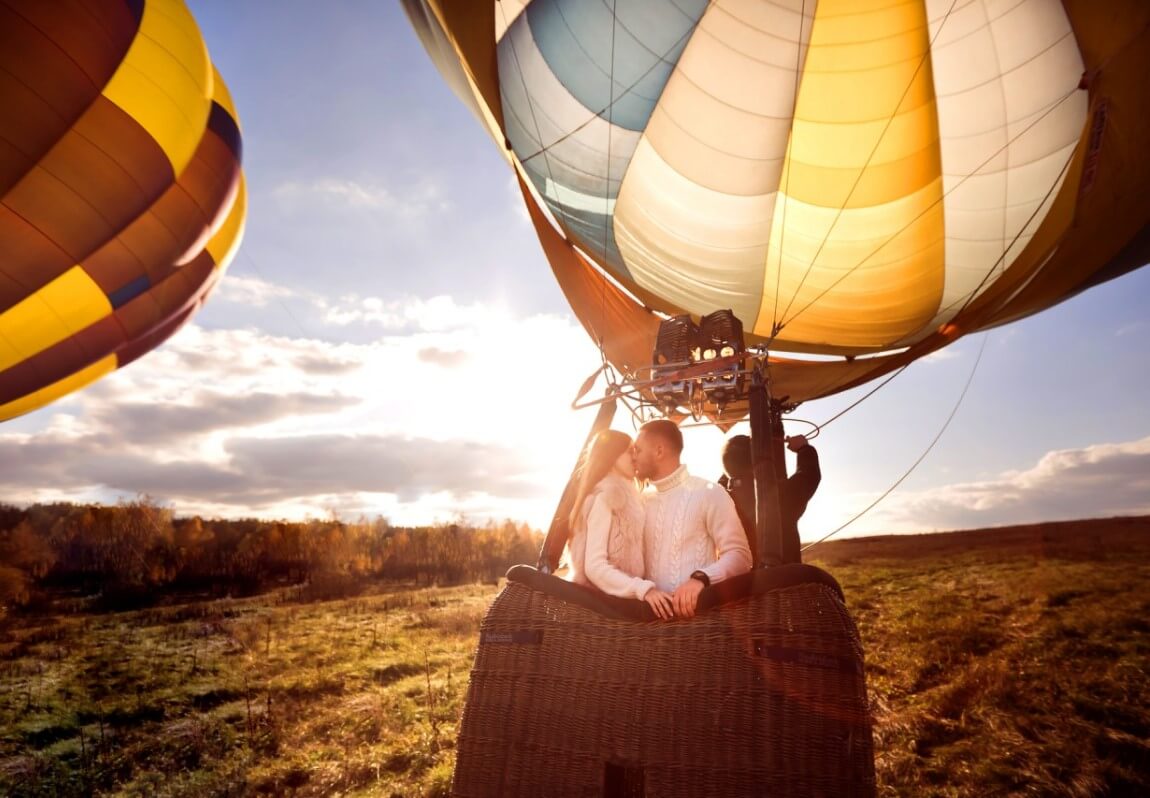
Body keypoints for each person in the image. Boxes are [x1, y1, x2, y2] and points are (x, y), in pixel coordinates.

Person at [632, 419, 752, 619]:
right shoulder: (638, 501)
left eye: (638, 449)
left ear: (659, 451)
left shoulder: (709, 492)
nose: (633, 456)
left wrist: (701, 579)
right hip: (648, 626)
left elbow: (740, 555)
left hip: (700, 623)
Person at [566, 430, 670, 617]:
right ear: (612, 456)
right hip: (601, 611)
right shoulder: (606, 498)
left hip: (621, 605)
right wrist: (643, 589)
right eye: (630, 451)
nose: (635, 457)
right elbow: (594, 567)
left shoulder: (633, 500)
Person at [719, 433, 821, 565]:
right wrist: (804, 449)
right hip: (782, 576)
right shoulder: (778, 495)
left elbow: (729, 473)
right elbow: (809, 475)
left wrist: (732, 458)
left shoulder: (720, 502)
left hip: (739, 577)